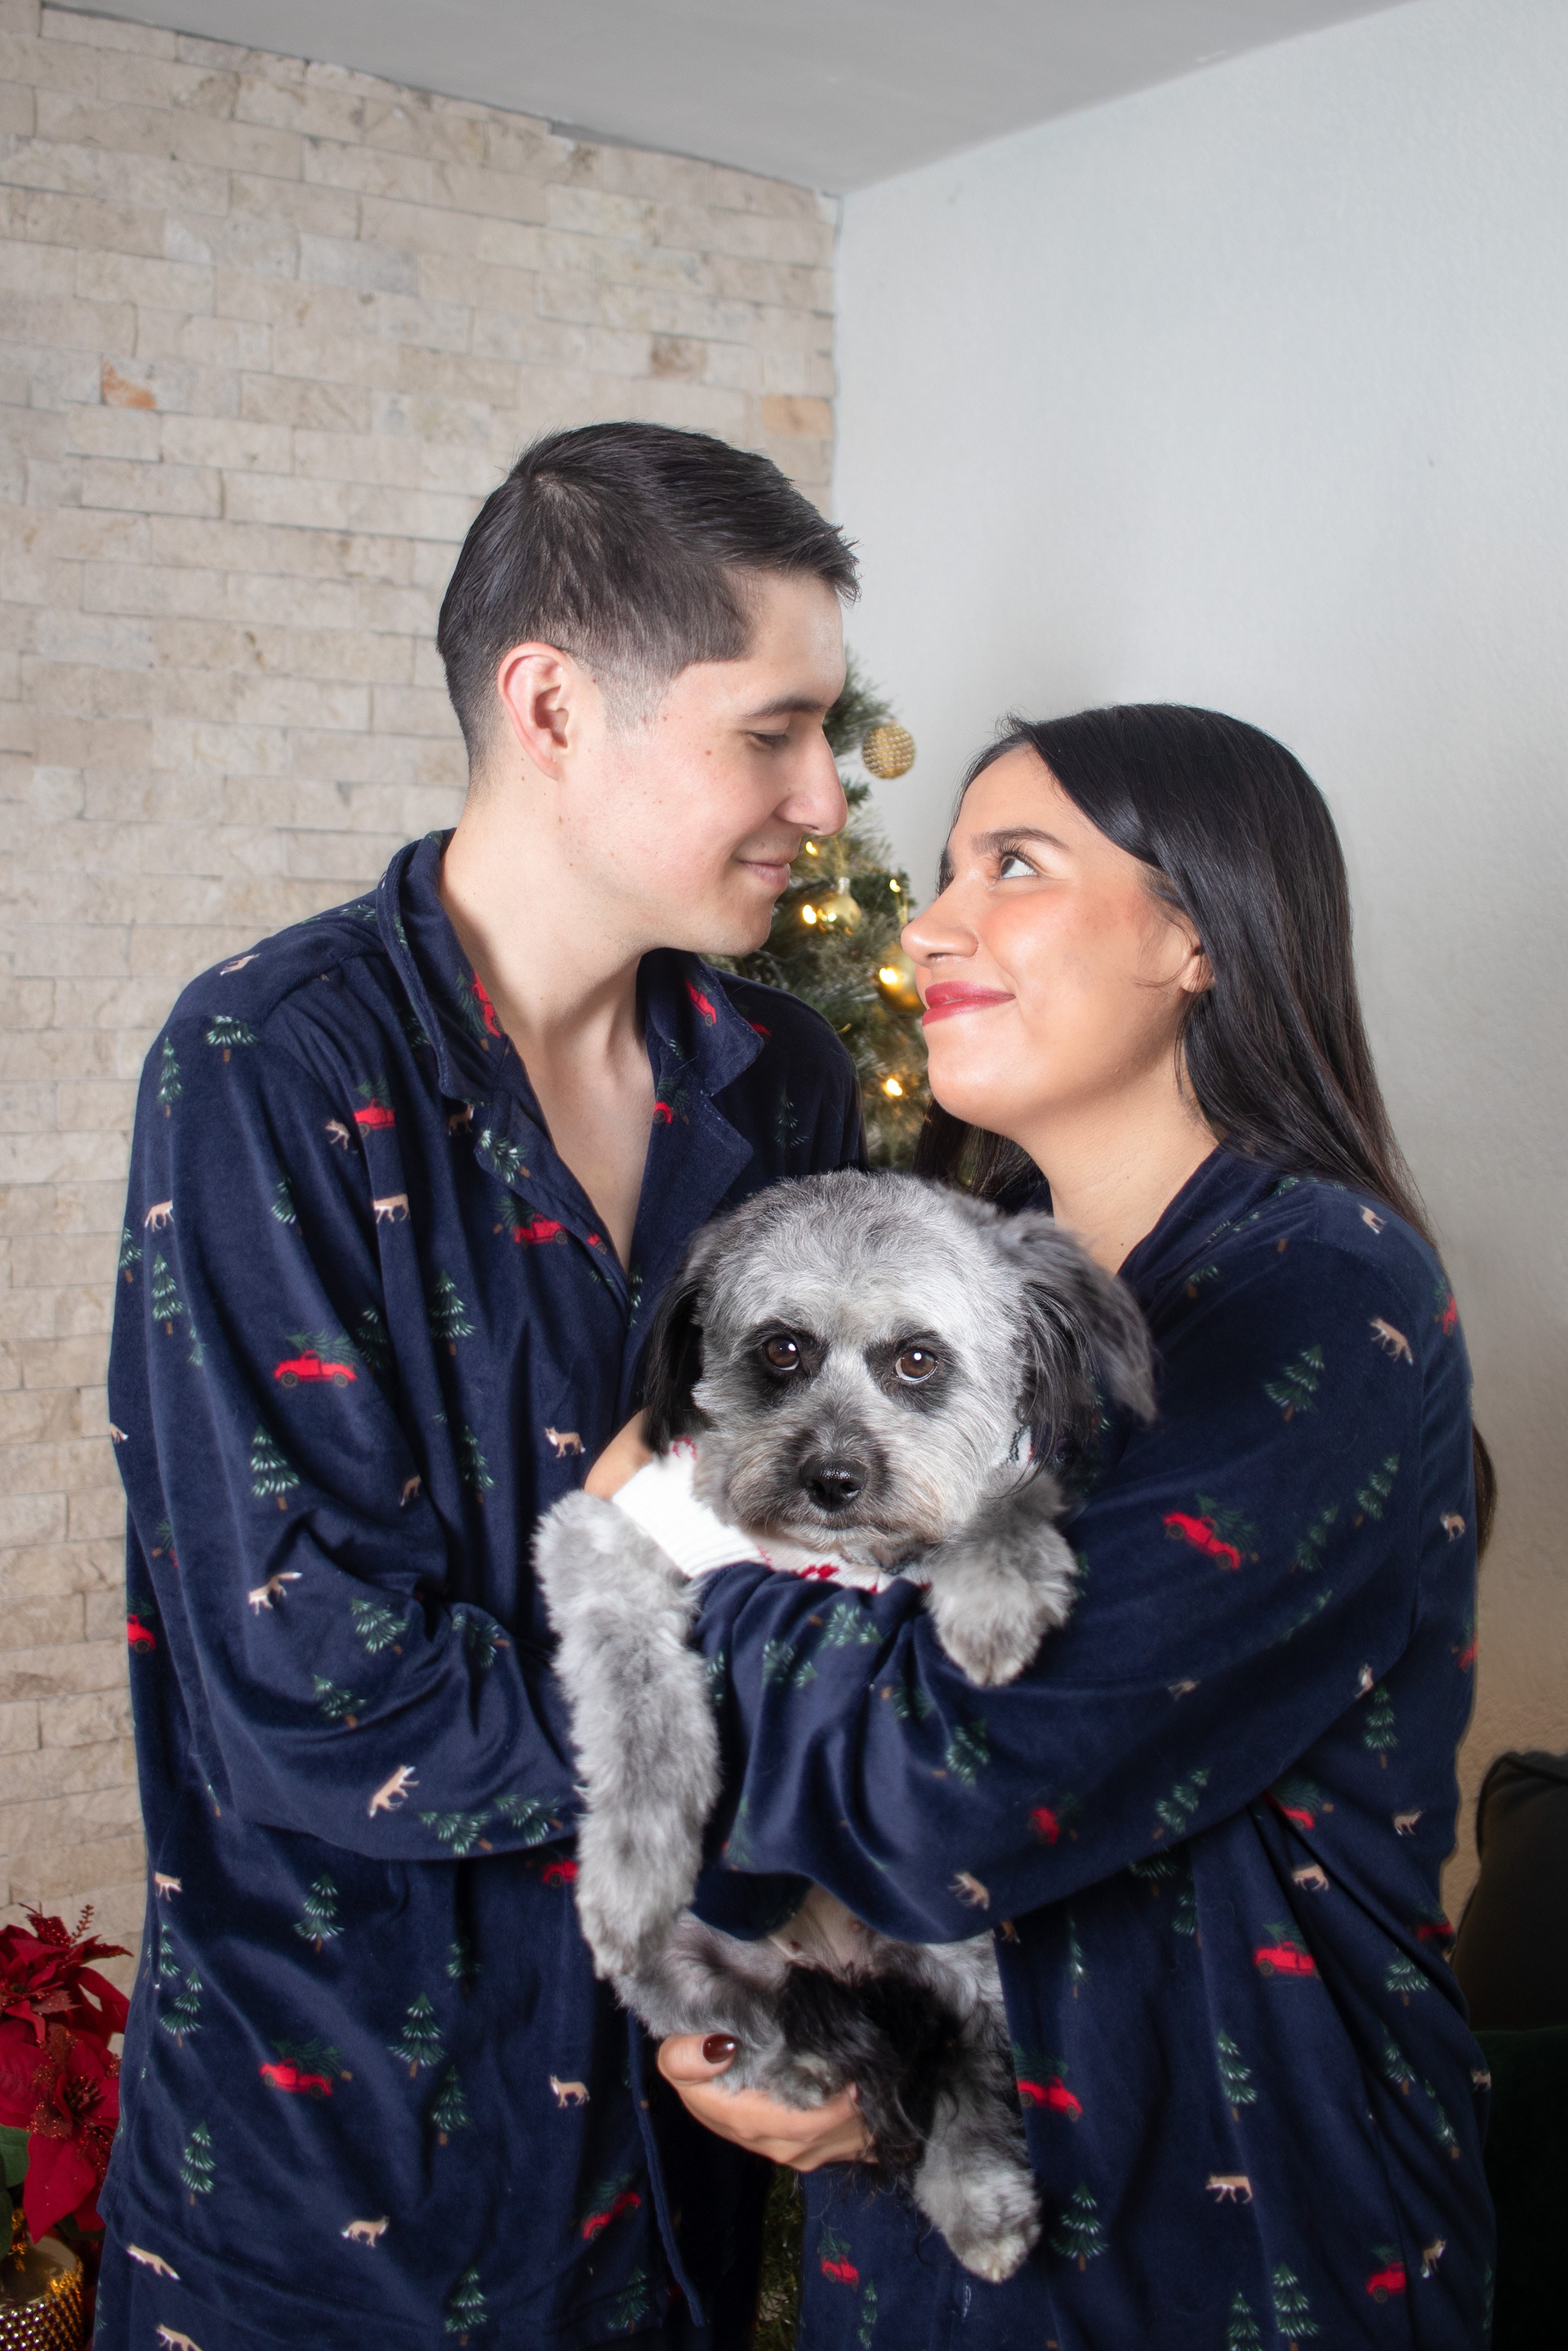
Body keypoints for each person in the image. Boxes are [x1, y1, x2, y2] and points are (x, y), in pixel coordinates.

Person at [98, 423, 864, 2351]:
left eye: (829, 733)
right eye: (771, 732)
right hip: (337, 2185)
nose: (826, 796)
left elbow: (843, 1592)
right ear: (550, 706)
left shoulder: (784, 1085)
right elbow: (313, 1687)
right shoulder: (270, 1066)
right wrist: (679, 1608)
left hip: (674, 2162)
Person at [621, 705, 1495, 2347]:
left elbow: (949, 1785)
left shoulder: (1315, 1297)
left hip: (1231, 2259)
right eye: (949, 870)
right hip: (929, 2255)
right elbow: (793, 1818)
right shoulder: (956, 1295)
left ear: (1198, 935)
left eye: (1014, 866)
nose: (934, 925)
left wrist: (668, 1539)